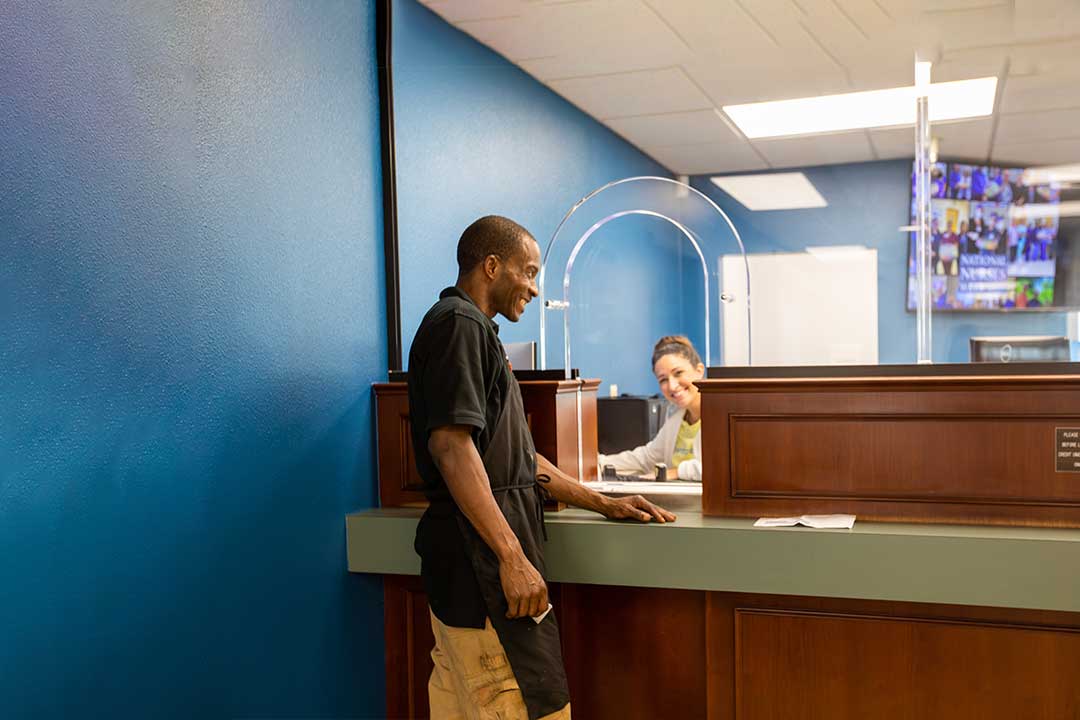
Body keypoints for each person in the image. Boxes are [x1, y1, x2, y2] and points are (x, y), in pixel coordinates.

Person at [409, 215, 676, 720]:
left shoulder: (472, 331)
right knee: (525, 705)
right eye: (528, 272)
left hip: (468, 576)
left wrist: (604, 503)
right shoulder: (459, 325)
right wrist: (511, 557)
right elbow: (451, 446)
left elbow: (518, 458)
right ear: (492, 266)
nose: (533, 288)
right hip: (482, 576)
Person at [598, 336, 706, 482]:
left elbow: (726, 467)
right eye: (663, 380)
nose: (672, 386)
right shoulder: (675, 421)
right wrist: (597, 461)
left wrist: (676, 472)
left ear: (699, 370)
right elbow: (645, 458)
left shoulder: (723, 416)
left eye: (678, 373)